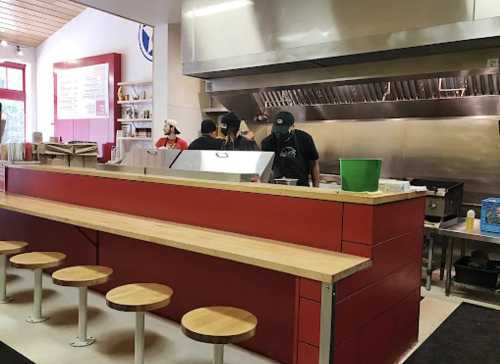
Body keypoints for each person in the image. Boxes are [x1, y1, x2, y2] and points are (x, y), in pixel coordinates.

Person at [261, 111, 320, 187]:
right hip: (275, 187)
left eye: (282, 131)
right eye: (277, 130)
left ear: (292, 127)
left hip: (301, 186)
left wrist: (316, 187)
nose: (279, 134)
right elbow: (265, 169)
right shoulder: (267, 142)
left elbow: (314, 163)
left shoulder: (304, 138)